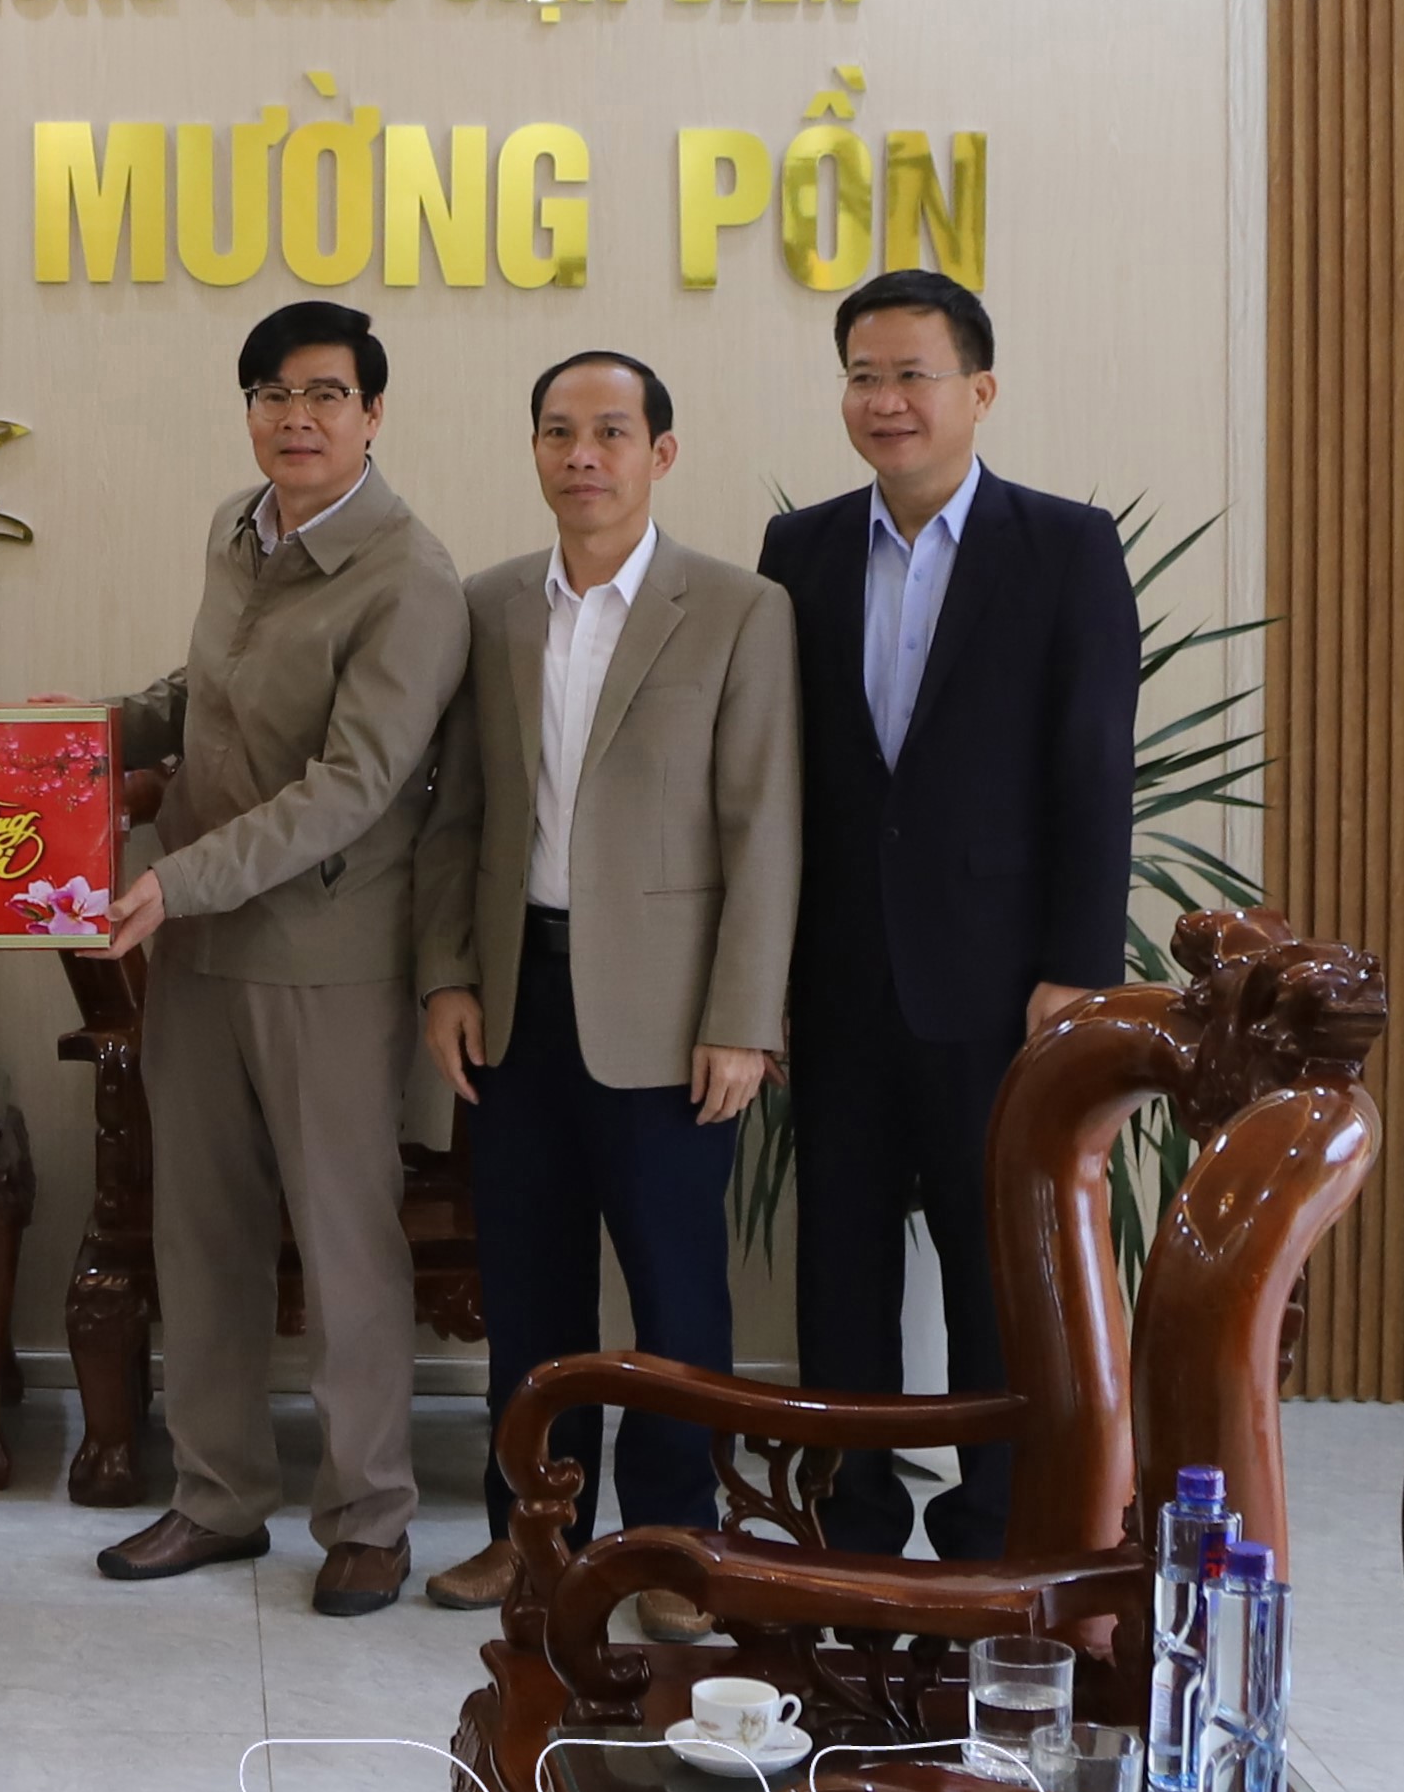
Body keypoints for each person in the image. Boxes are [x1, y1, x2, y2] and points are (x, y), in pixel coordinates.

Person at [415, 351, 799, 1622]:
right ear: (534, 449)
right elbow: (458, 813)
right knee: (529, 1286)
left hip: (673, 1015)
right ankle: (530, 1532)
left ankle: (677, 1545)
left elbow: (763, 828)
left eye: (610, 431)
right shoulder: (488, 605)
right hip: (516, 995)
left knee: (676, 1293)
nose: (582, 454)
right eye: (557, 431)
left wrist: (743, 1018)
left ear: (659, 453)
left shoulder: (737, 607)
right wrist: (447, 974)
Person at [95, 298, 465, 1613]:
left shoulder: (409, 578)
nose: (295, 417)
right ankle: (216, 1496)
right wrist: (82, 739)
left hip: (324, 953)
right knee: (200, 1228)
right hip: (197, 942)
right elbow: (206, 696)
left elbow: (350, 787)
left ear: (372, 413)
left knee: (343, 1239)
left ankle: (368, 1516)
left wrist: (174, 876)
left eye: (323, 394)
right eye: (271, 393)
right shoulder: (235, 528)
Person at [759, 269, 1136, 1559]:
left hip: (999, 987)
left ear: (978, 389)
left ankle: (993, 1535)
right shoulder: (800, 549)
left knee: (996, 1272)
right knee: (840, 1267)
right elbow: (781, 780)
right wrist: (768, 979)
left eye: (911, 374)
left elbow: (1092, 768)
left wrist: (1075, 972)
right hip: (839, 979)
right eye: (862, 375)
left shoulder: (1064, 545)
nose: (885, 400)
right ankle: (851, 1532)